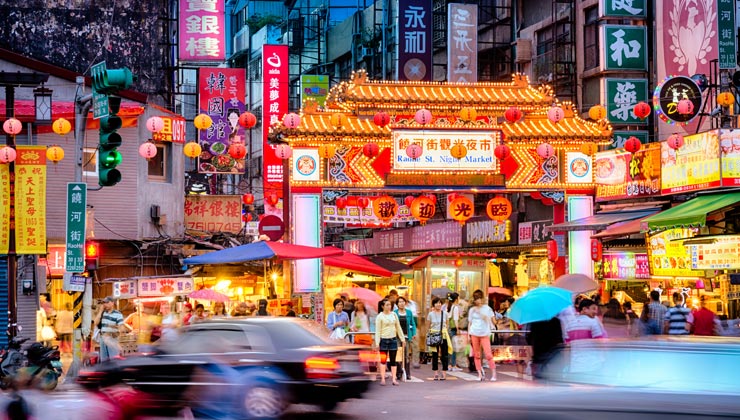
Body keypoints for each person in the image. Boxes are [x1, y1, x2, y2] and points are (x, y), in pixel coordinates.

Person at [467, 289, 498, 381]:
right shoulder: (472, 310)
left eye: (479, 298)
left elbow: (494, 321)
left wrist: (487, 318)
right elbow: (470, 322)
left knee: (488, 354)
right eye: (476, 298)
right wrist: (469, 334)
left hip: (484, 333)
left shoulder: (487, 309)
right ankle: (480, 374)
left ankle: (494, 374)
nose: (478, 300)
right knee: (476, 355)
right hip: (474, 333)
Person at [374, 299, 405, 386]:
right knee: (383, 360)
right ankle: (383, 378)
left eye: (390, 305)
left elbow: (398, 327)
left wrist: (402, 339)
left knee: (393, 360)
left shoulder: (394, 315)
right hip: (383, 340)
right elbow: (378, 331)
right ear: (382, 306)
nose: (389, 306)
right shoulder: (380, 316)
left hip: (393, 340)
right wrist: (377, 343)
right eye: (387, 305)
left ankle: (394, 379)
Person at [95, 296, 125, 362]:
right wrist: (100, 311)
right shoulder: (103, 313)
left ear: (112, 303)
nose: (105, 304)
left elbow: (121, 327)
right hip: (103, 338)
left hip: (112, 338)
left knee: (114, 359)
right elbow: (96, 323)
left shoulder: (118, 314)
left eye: (107, 303)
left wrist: (113, 326)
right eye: (104, 303)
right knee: (104, 360)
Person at [394, 296, 416, 381]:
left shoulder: (409, 312)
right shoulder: (395, 313)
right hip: (397, 337)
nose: (401, 303)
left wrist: (414, 333)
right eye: (399, 302)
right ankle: (399, 373)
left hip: (407, 336)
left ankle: (407, 373)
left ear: (405, 303)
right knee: (399, 355)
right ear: (397, 304)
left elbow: (413, 324)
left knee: (406, 355)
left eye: (403, 302)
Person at [426, 297, 449, 380]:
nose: (438, 304)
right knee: (435, 355)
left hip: (443, 335)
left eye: (440, 303)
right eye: (436, 303)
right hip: (433, 335)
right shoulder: (430, 314)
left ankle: (444, 373)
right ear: (433, 305)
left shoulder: (445, 314)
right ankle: (435, 373)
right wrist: (428, 334)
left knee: (444, 355)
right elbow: (428, 325)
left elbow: (447, 324)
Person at [445, 292, 462, 371]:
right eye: (458, 298)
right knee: (454, 348)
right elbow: (455, 320)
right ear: (456, 299)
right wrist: (458, 329)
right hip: (453, 329)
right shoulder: (455, 308)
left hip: (448, 329)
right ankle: (453, 365)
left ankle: (449, 365)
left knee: (450, 348)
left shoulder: (448, 307)